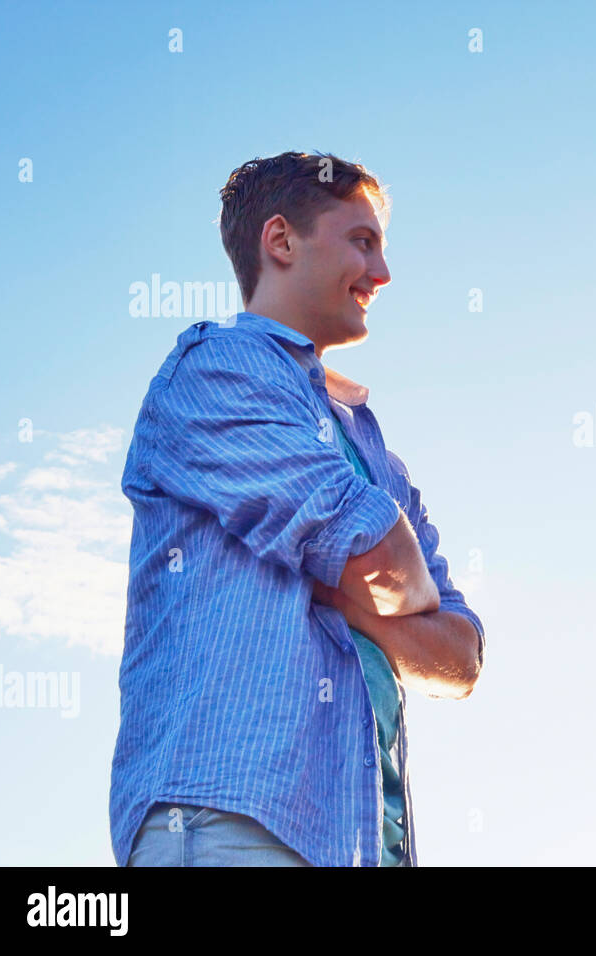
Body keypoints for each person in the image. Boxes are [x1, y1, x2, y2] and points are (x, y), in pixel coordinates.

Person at [111, 151, 484, 867]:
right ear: (280, 242)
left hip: (362, 843)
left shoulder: (373, 448)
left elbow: (462, 656)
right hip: (231, 820)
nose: (382, 274)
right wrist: (397, 591)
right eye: (362, 242)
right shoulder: (216, 369)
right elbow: (373, 548)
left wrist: (355, 606)